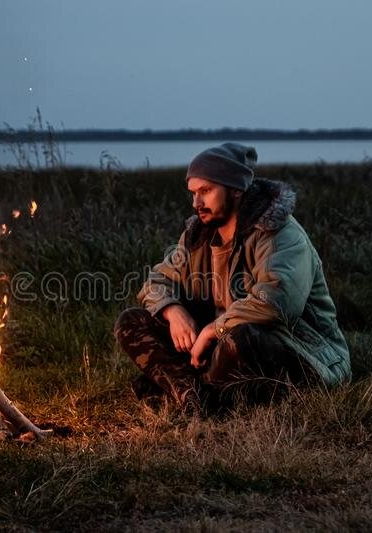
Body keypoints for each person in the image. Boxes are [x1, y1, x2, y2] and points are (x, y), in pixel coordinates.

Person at [114, 143, 351, 415]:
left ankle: (185, 389)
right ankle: (193, 397)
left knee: (240, 337)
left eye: (206, 191)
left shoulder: (280, 234)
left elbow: (276, 302)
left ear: (237, 190)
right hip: (221, 350)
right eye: (193, 193)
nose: (196, 203)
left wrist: (213, 329)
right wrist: (173, 311)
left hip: (301, 353)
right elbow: (155, 283)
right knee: (131, 321)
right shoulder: (198, 234)